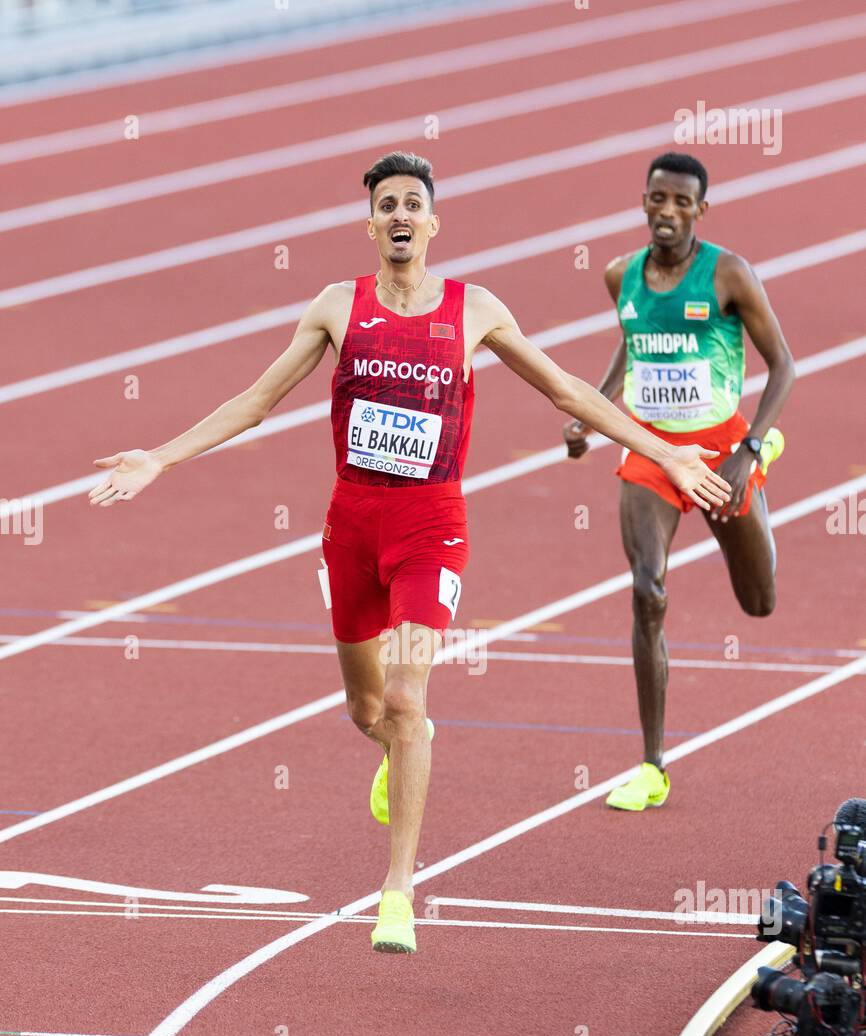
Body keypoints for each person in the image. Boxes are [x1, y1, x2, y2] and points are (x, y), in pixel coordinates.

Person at [89, 150, 730, 953]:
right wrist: (161, 456)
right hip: (352, 531)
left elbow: (569, 389)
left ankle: (398, 890)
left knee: (408, 701)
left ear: (432, 223)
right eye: (386, 204)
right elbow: (255, 402)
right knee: (367, 711)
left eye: (412, 204)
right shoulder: (336, 306)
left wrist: (666, 452)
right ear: (371, 225)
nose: (399, 215)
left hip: (432, 532)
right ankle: (398, 749)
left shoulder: (474, 309)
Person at [564, 151, 794, 811]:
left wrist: (750, 447)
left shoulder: (728, 275)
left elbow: (784, 366)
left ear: (701, 209)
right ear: (644, 201)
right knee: (648, 590)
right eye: (657, 199)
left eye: (681, 203)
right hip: (653, 451)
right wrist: (593, 413)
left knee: (759, 602)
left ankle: (769, 451)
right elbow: (632, 344)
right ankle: (652, 765)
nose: (667, 213)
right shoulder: (620, 276)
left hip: (722, 448)